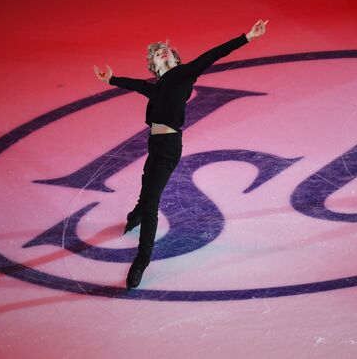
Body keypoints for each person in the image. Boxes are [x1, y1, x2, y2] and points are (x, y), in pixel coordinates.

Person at [94, 19, 269, 290]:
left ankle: (142, 260)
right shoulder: (158, 86)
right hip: (155, 146)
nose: (162, 51)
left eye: (167, 50)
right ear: (154, 64)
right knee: (146, 183)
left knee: (152, 201)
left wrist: (247, 37)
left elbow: (214, 54)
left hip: (169, 149)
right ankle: (137, 214)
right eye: (157, 53)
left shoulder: (186, 73)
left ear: (175, 59)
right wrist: (111, 79)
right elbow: (138, 85)